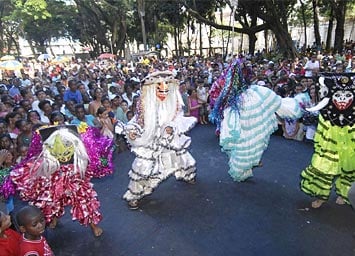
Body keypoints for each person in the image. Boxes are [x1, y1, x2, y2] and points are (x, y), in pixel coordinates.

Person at [209, 59, 302, 182]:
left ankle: (248, 165)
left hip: (243, 108)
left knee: (246, 140)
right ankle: (247, 166)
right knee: (244, 141)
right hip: (241, 110)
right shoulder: (247, 90)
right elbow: (218, 97)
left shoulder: (247, 89)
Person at [121, 70, 197, 209]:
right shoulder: (143, 103)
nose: (164, 91)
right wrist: (133, 131)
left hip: (169, 138)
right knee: (143, 165)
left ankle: (188, 174)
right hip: (151, 138)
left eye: (166, 88)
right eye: (159, 88)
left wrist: (171, 127)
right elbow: (138, 120)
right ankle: (135, 194)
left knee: (180, 155)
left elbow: (177, 117)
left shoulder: (174, 101)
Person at [10, 125, 103, 237]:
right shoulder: (46, 158)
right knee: (51, 201)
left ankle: (93, 225)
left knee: (84, 201)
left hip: (75, 178)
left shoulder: (78, 153)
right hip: (54, 178)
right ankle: (53, 218)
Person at [300, 73, 355, 208]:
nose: (342, 99)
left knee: (350, 168)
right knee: (323, 166)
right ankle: (321, 196)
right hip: (330, 143)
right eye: (338, 95)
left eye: (347, 96)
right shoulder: (326, 114)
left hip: (350, 141)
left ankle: (344, 194)